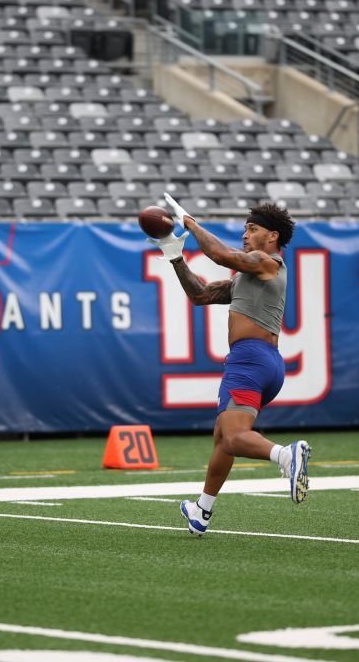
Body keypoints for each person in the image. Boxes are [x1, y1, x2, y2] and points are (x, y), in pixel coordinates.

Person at [149, 194, 311, 537]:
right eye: (244, 229)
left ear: (273, 237)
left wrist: (191, 224)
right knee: (223, 437)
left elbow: (222, 255)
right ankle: (201, 510)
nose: (245, 234)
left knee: (235, 435)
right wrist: (175, 255)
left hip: (249, 360)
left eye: (252, 229)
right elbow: (200, 296)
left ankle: (285, 455)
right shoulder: (247, 275)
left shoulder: (268, 262)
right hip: (265, 363)